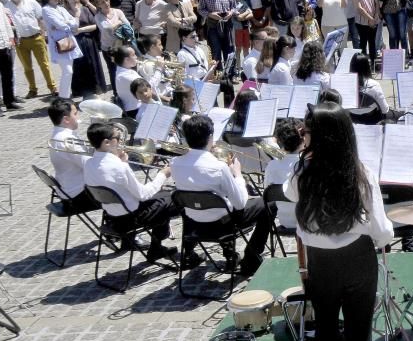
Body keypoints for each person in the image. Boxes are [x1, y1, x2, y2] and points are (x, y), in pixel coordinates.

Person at [284, 102, 395, 341]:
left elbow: (290, 194)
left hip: (321, 263)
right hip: (358, 261)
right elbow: (382, 231)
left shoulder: (303, 172)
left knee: (328, 337)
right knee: (358, 338)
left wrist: (303, 156)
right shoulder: (360, 173)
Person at [172, 114, 272, 276]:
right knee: (267, 204)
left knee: (218, 201)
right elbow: (240, 203)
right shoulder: (218, 167)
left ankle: (228, 254)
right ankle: (251, 257)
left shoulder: (175, 163)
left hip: (194, 223)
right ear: (210, 137)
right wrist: (237, 174)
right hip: (223, 224)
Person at [83, 122, 179, 261]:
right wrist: (163, 174)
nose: (122, 142)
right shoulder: (118, 167)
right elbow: (143, 194)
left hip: (112, 217)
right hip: (133, 218)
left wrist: (123, 162)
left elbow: (118, 184)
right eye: (118, 138)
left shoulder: (89, 164)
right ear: (106, 143)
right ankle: (170, 249)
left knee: (162, 195)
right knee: (174, 198)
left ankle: (156, 248)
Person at [3, 0, 57, 99]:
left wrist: (44, 34)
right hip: (20, 41)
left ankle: (52, 87)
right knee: (27, 67)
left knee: (45, 64)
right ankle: (32, 89)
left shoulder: (31, 2)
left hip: (36, 37)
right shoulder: (6, 7)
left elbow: (41, 18)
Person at [47, 97, 99, 214]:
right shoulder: (67, 140)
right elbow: (91, 165)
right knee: (119, 190)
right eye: (75, 114)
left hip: (68, 191)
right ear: (66, 119)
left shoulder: (58, 135)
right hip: (78, 196)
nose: (78, 117)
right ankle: (120, 227)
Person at [264, 117, 302, 230]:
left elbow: (268, 196)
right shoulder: (308, 164)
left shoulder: (271, 166)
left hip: (285, 221)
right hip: (306, 221)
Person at [198, 0, 237, 74]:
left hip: (227, 24)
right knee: (216, 50)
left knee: (229, 50)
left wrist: (230, 13)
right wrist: (210, 14)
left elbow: (234, 7)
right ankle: (218, 74)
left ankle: (230, 74)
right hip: (213, 25)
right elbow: (200, 9)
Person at [350, 0, 381, 66]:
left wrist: (375, 16)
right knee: (363, 44)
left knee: (372, 43)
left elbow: (376, 3)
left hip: (373, 20)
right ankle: (362, 66)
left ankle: (374, 64)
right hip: (362, 22)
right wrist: (370, 18)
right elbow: (359, 8)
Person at [112, 45, 142, 117]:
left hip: (138, 107)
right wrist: (159, 69)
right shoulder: (124, 76)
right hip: (135, 111)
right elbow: (149, 87)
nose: (136, 57)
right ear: (126, 60)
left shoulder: (126, 71)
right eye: (133, 55)